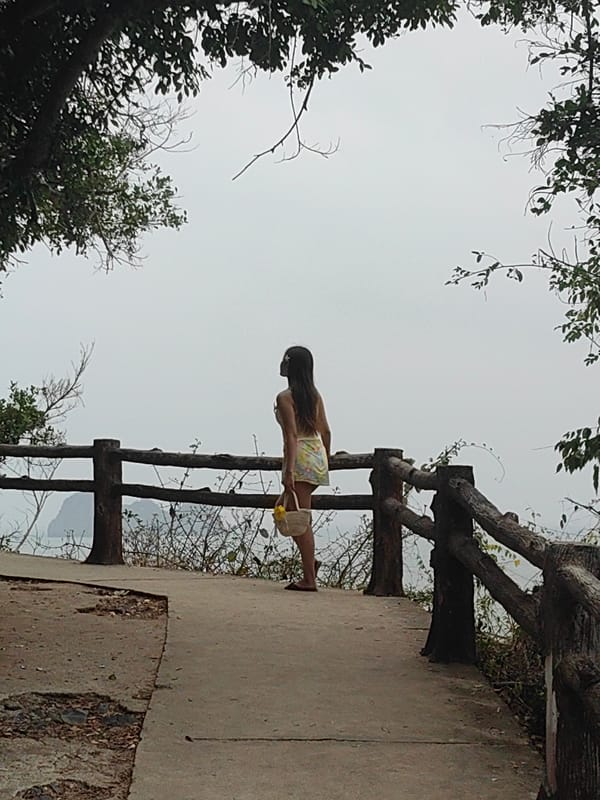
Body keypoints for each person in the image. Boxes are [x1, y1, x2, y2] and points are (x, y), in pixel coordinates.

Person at [275, 346, 331, 592]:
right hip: (316, 454)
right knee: (290, 511)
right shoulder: (313, 395)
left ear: (290, 365)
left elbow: (291, 435)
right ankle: (311, 562)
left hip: (299, 457)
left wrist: (288, 471)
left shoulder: (285, 397)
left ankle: (309, 578)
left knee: (300, 517)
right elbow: (326, 431)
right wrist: (325, 460)